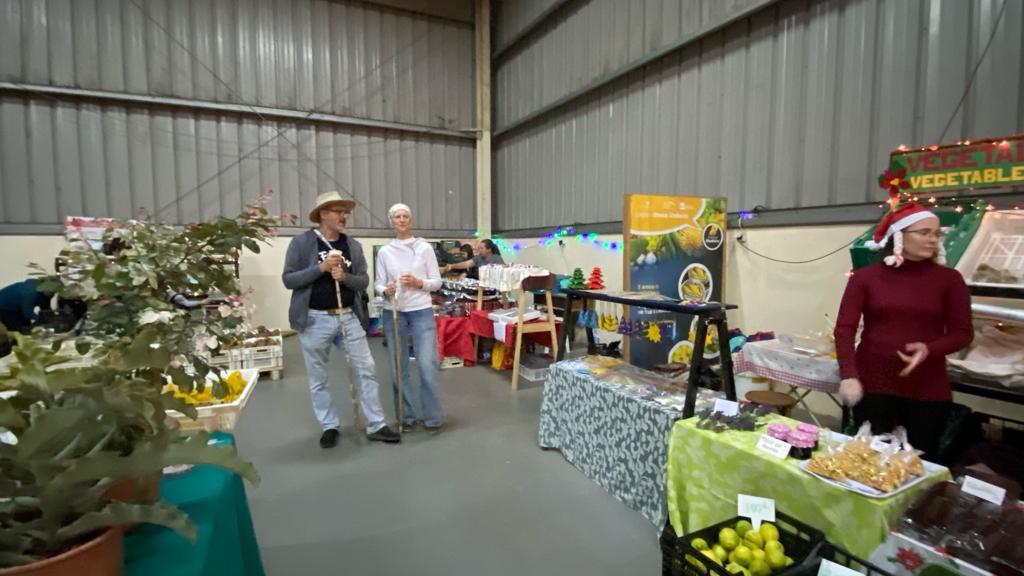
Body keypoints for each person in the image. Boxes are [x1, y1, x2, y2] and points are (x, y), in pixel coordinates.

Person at [834, 202, 972, 460]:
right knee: (869, 460)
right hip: (873, 385)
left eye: (936, 233)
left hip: (927, 388)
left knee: (920, 462)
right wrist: (849, 375)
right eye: (924, 232)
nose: (933, 239)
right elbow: (844, 329)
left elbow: (962, 333)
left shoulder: (949, 280)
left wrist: (929, 350)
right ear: (898, 236)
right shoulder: (866, 278)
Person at [282, 191, 400, 448]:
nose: (343, 216)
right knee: (318, 377)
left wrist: (345, 277)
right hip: (314, 320)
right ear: (323, 214)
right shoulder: (302, 244)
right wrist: (320, 269)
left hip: (347, 316)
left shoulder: (352, 246)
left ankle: (376, 424)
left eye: (345, 212)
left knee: (366, 369)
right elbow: (289, 279)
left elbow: (363, 281)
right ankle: (329, 425)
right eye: (338, 211)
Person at [375, 203, 445, 433]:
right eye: (398, 216)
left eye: (406, 216)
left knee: (427, 364)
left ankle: (432, 417)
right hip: (393, 311)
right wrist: (387, 289)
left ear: (411, 220)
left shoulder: (424, 248)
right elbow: (378, 284)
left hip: (421, 310)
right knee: (398, 366)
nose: (402, 220)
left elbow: (436, 282)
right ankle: (406, 416)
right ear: (392, 221)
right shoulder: (385, 252)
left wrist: (418, 283)